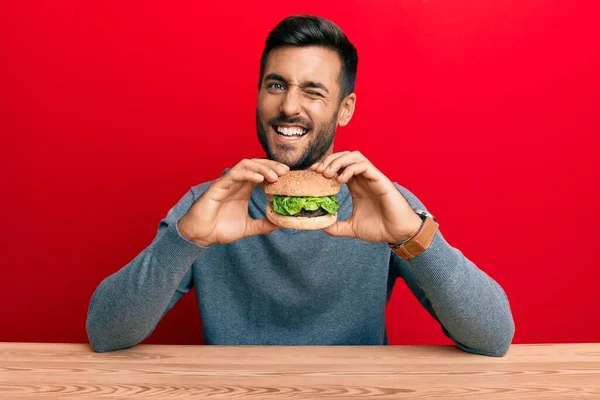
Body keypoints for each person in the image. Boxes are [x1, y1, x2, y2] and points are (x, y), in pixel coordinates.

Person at [86, 15, 514, 355]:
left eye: (312, 91)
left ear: (345, 109)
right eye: (276, 86)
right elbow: (104, 332)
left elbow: (493, 336)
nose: (289, 106)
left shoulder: (383, 205)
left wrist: (413, 237)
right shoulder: (210, 204)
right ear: (258, 94)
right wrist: (186, 241)